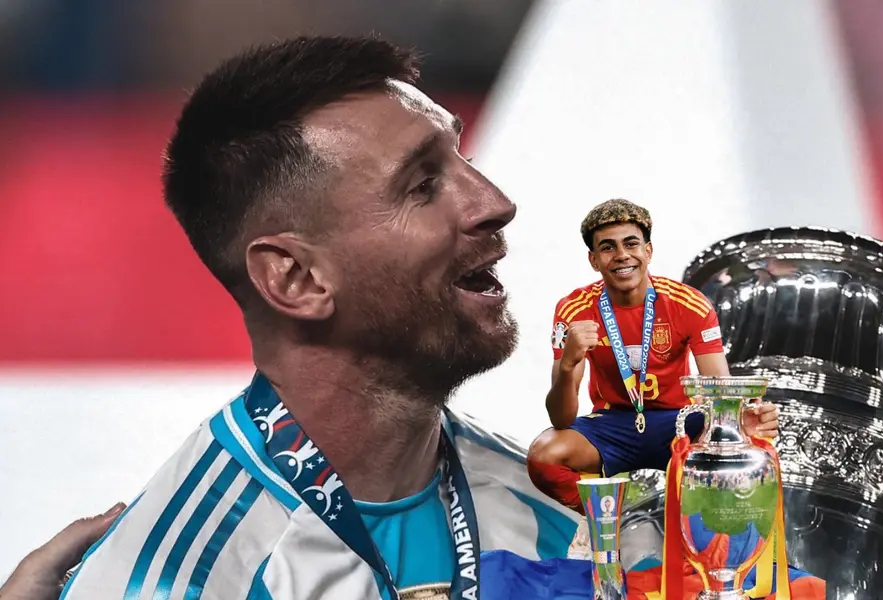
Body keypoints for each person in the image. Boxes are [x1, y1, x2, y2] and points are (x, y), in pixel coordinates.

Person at [41, 35, 576, 600]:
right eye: (422, 186)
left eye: (462, 159)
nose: (493, 202)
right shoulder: (183, 581)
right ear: (296, 278)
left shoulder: (572, 523)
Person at [525, 199, 779, 514]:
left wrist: (740, 423)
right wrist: (568, 364)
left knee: (740, 446)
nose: (621, 255)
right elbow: (560, 419)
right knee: (544, 454)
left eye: (631, 243)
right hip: (611, 424)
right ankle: (618, 520)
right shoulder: (574, 309)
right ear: (594, 260)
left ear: (648, 251)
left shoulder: (690, 305)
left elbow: (720, 391)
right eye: (608, 247)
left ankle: (701, 541)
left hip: (679, 421)